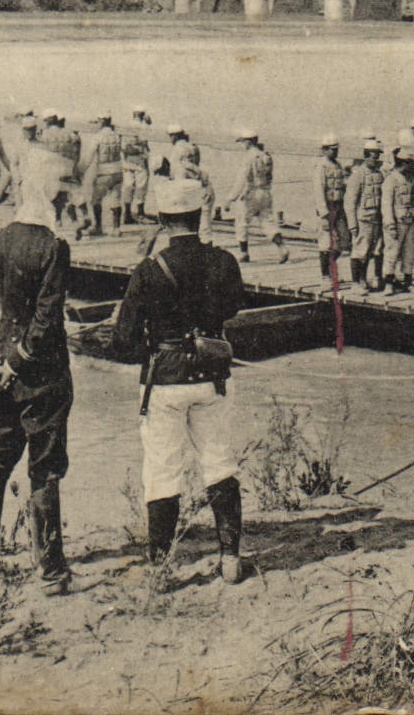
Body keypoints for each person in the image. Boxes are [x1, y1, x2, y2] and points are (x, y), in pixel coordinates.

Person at [109, 177, 248, 584]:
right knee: (220, 463)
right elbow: (233, 309)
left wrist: (155, 342)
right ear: (198, 214)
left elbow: (123, 340)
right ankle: (231, 561)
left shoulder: (150, 270)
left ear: (162, 219)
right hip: (213, 377)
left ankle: (162, 568)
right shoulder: (224, 262)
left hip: (165, 380)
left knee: (162, 471)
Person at [0, 147, 77, 595]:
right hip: (43, 376)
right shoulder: (54, 247)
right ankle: (50, 571)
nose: (67, 201)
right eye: (62, 194)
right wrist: (17, 363)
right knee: (44, 468)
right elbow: (47, 321)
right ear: (51, 195)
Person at [225, 128, 286, 263]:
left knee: (242, 222)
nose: (242, 145)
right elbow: (269, 177)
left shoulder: (248, 157)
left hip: (251, 194)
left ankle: (244, 253)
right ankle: (281, 247)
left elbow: (241, 179)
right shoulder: (265, 156)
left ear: (248, 142)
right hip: (265, 192)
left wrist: (230, 199)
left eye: (243, 142)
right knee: (268, 222)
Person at [344, 140, 386, 292]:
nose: (376, 160)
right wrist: (352, 224)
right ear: (366, 156)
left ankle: (369, 279)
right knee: (360, 251)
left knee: (376, 250)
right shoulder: (358, 175)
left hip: (377, 219)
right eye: (374, 156)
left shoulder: (379, 174)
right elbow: (350, 202)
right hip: (364, 220)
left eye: (377, 157)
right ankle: (356, 283)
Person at [382, 146, 414, 294]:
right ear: (402, 162)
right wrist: (390, 224)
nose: (410, 166)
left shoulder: (411, 179)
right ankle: (389, 283)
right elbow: (386, 205)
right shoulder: (391, 180)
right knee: (392, 252)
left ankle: (407, 281)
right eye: (408, 163)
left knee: (409, 252)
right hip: (397, 222)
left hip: (410, 221)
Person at [314, 135, 352, 283]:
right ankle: (325, 276)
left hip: (339, 207)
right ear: (324, 150)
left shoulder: (337, 165)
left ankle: (331, 267)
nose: (335, 152)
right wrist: (323, 214)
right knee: (325, 243)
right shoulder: (321, 167)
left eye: (336, 149)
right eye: (332, 149)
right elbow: (319, 191)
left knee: (344, 240)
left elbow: (341, 185)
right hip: (327, 207)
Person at [84, 112, 124, 236]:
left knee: (96, 200)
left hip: (103, 172)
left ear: (101, 121)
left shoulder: (98, 137)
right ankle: (116, 228)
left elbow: (88, 157)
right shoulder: (117, 136)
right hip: (118, 171)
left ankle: (98, 227)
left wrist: (79, 171)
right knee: (115, 199)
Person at [121, 109, 151, 227]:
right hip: (139, 161)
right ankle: (140, 213)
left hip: (128, 160)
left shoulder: (126, 124)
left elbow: (123, 146)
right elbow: (145, 144)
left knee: (128, 186)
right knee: (141, 187)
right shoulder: (144, 126)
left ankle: (127, 214)